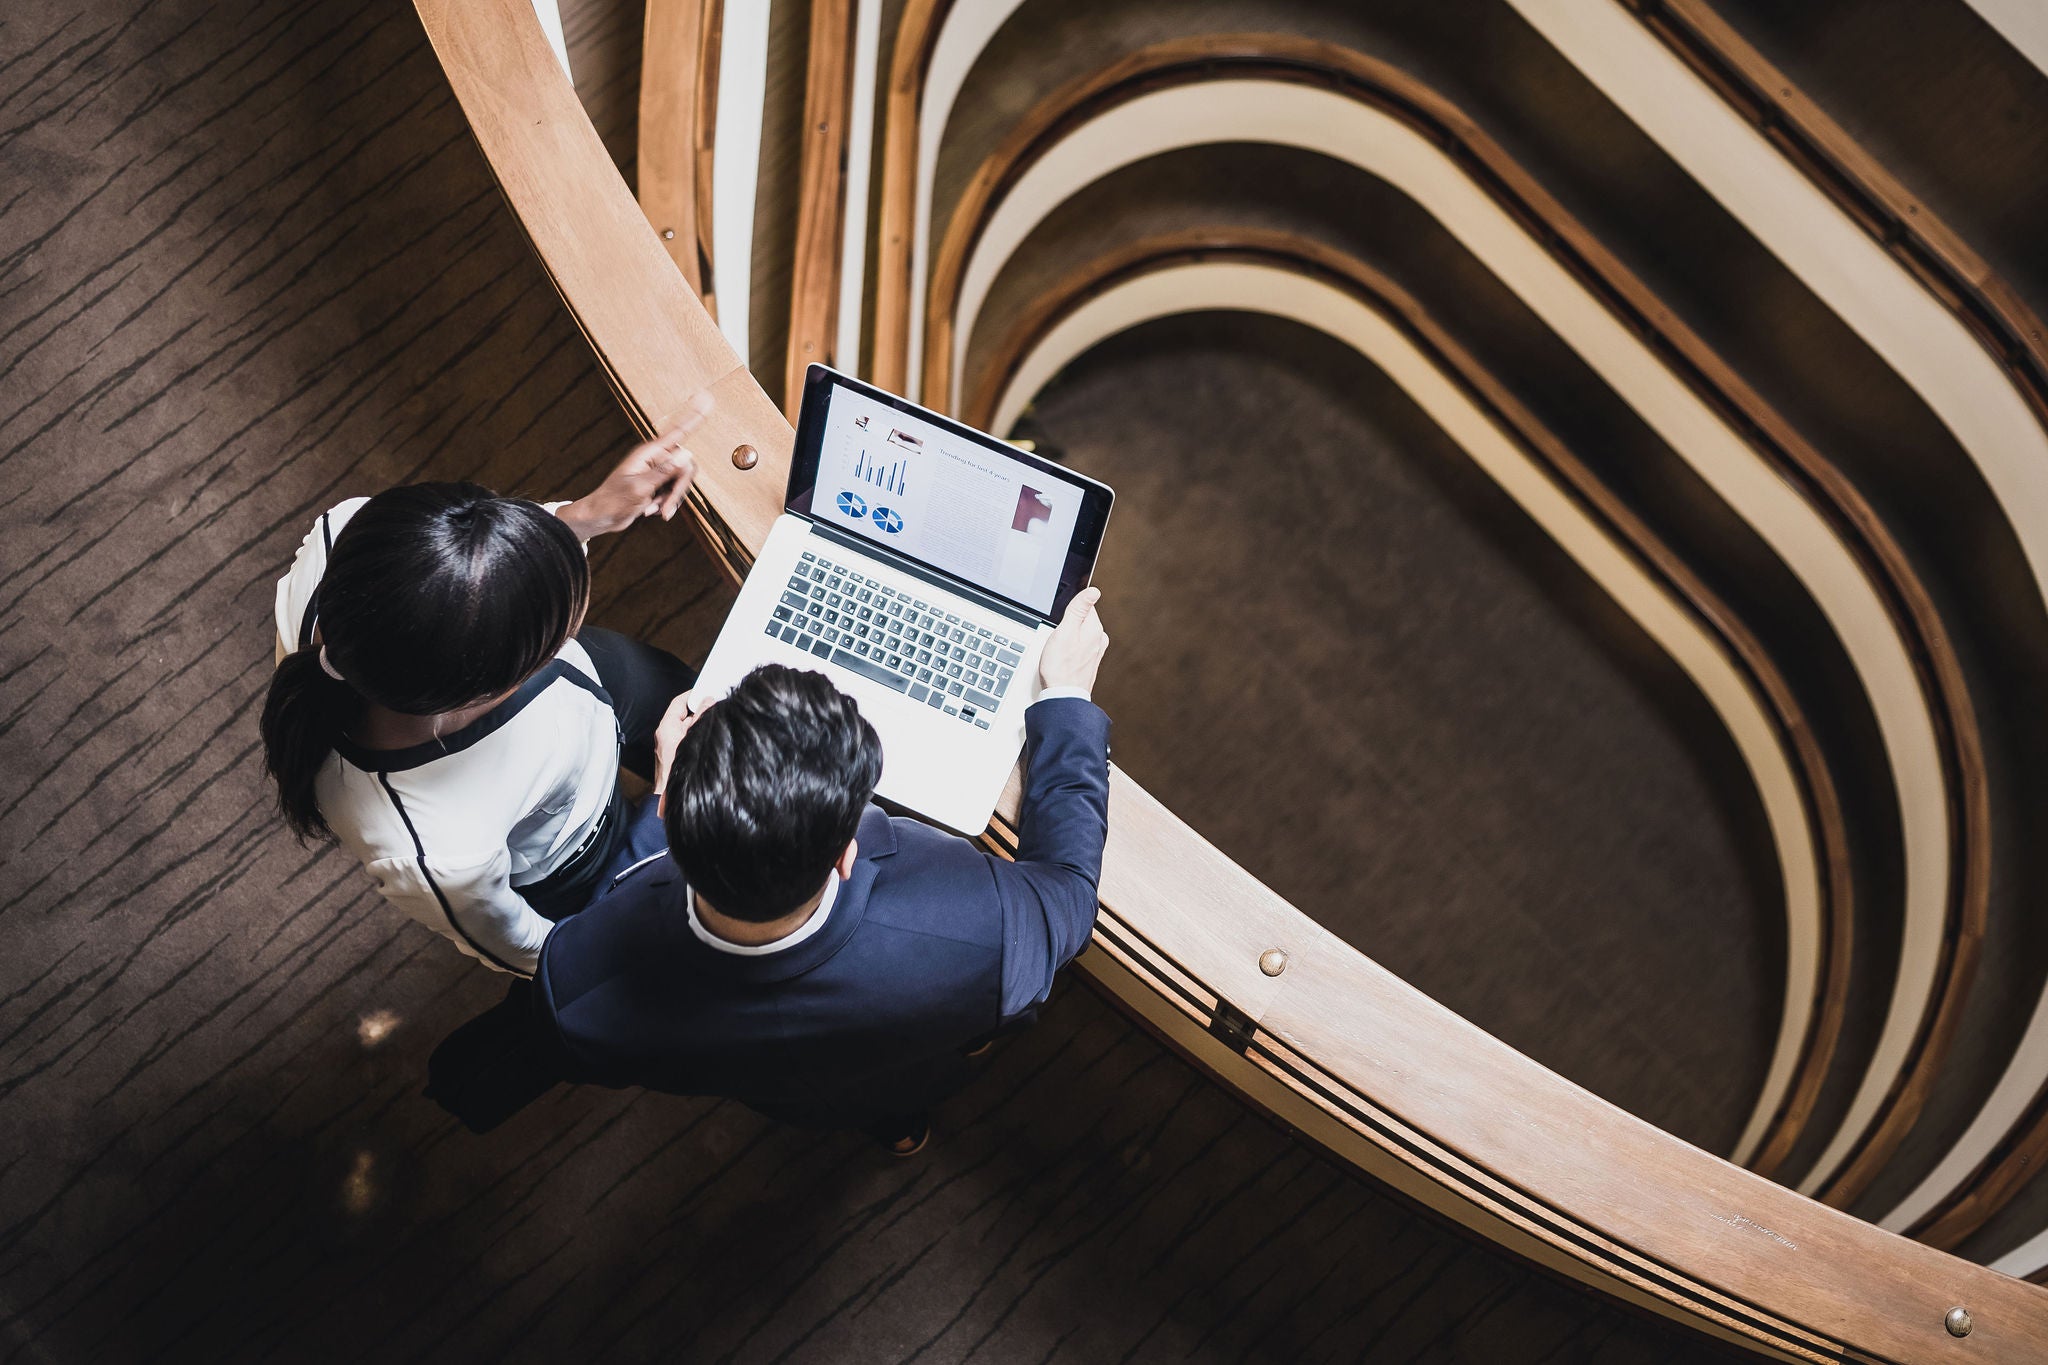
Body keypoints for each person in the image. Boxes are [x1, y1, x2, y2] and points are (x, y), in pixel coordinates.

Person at [529, 587, 1112, 1152]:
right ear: (844, 854)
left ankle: (895, 1131)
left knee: (836, 1104)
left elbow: (616, 906)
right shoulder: (977, 930)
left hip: (784, 1096)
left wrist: (667, 800)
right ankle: (901, 1124)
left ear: (664, 809)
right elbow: (1067, 892)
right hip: (909, 1064)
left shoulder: (577, 986)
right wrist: (1064, 697)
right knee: (896, 1089)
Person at [260, 394, 714, 976]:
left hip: (600, 688)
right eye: (557, 636)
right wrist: (664, 812)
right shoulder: (440, 851)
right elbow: (548, 957)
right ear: (486, 687)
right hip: (574, 847)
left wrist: (586, 514)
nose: (576, 625)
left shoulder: (345, 532)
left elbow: (461, 573)